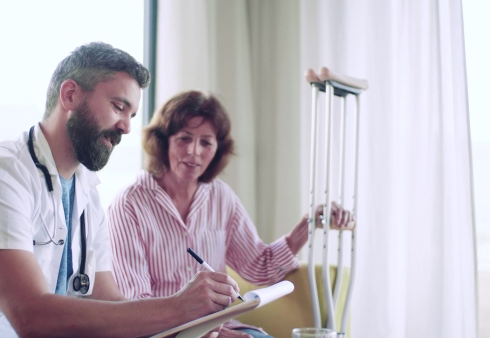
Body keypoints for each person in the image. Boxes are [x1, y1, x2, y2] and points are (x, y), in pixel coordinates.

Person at [0, 43, 241, 338]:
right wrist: (177, 308)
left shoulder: (87, 192)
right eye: (118, 106)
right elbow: (32, 318)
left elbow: (110, 303)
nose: (126, 127)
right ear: (70, 95)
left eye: (131, 115)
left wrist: (187, 327)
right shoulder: (0, 177)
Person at [107, 90, 354, 338]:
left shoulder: (221, 197)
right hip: (160, 332)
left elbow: (259, 265)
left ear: (217, 149)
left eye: (206, 142)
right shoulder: (129, 204)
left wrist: (309, 223)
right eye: (184, 138)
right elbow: (135, 302)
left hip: (222, 328)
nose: (194, 151)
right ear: (163, 141)